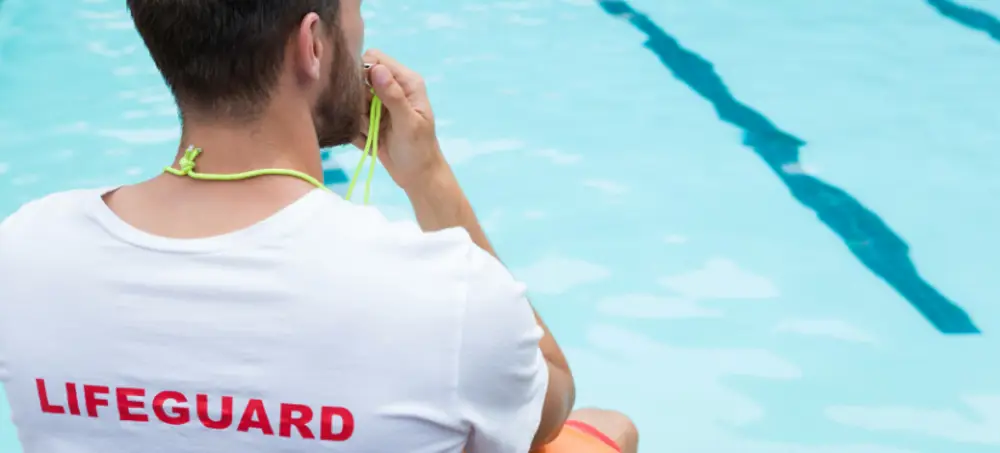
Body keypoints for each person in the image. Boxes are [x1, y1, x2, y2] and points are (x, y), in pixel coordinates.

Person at [0, 1, 639, 452]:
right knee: (607, 429)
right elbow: (546, 407)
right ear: (312, 44)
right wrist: (429, 178)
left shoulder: (26, 252)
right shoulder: (443, 294)